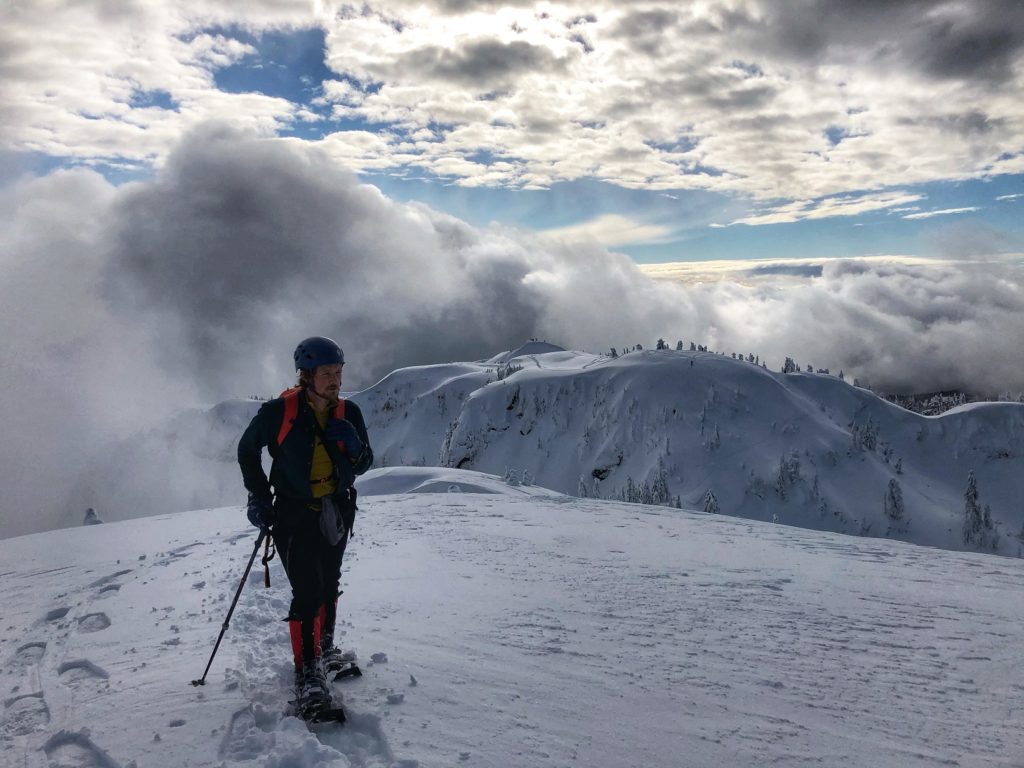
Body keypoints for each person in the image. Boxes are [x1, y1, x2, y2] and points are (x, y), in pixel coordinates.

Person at [237, 336, 373, 713]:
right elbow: (247, 449)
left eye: (339, 373)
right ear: (306, 375)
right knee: (308, 589)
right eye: (326, 373)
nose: (335, 381)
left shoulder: (349, 413)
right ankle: (308, 672)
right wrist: (259, 496)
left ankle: (325, 649)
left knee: (329, 582)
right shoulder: (279, 412)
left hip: (336, 510)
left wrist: (355, 447)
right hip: (293, 513)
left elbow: (365, 464)